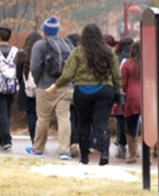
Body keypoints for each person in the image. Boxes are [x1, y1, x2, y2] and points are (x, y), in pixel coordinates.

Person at [46, 23, 120, 166]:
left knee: (83, 124)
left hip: (83, 91)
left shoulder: (78, 51)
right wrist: (117, 90)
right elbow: (116, 74)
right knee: (101, 123)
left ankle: (84, 157)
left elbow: (68, 74)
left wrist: (56, 86)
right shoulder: (109, 51)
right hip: (105, 90)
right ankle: (104, 153)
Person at [27, 16, 75, 159]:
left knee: (42, 118)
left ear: (44, 31)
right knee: (64, 118)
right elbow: (73, 66)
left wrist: (39, 81)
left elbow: (34, 67)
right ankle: (65, 150)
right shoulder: (67, 44)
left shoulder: (39, 45)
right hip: (66, 86)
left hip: (45, 87)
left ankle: (38, 148)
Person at [119, 40, 143, 164]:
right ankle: (149, 152)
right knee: (149, 126)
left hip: (131, 97)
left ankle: (132, 153)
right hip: (146, 95)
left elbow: (123, 83)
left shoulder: (127, 64)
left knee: (131, 125)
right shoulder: (148, 63)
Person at [16, 31, 41, 143]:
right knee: (41, 116)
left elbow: (17, 75)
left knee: (31, 114)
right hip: (42, 88)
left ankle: (34, 140)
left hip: (26, 89)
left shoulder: (21, 55)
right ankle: (41, 140)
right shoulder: (42, 54)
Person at [112, 36, 133, 159]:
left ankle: (121, 144)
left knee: (120, 119)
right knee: (132, 120)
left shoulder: (116, 58)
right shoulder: (136, 58)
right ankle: (132, 146)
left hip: (121, 92)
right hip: (135, 93)